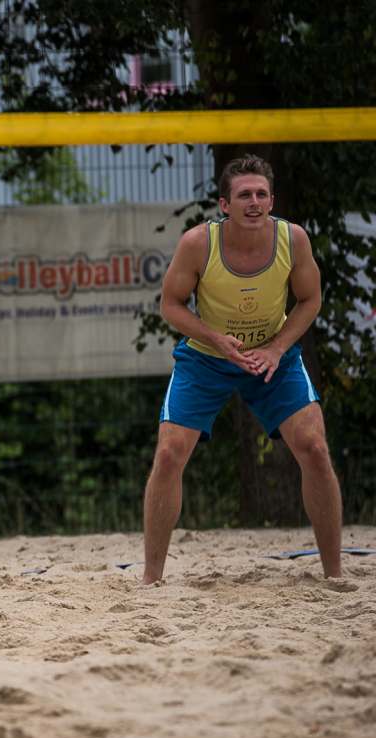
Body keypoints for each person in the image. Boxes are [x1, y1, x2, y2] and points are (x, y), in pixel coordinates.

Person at [142, 154, 342, 584]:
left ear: (272, 200)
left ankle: (334, 575)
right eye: (244, 195)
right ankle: (151, 580)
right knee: (169, 453)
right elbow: (170, 306)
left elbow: (310, 300)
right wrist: (216, 338)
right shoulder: (198, 243)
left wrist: (277, 348)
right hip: (207, 357)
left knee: (314, 447)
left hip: (273, 356)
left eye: (261, 194)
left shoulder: (293, 239)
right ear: (224, 205)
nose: (254, 202)